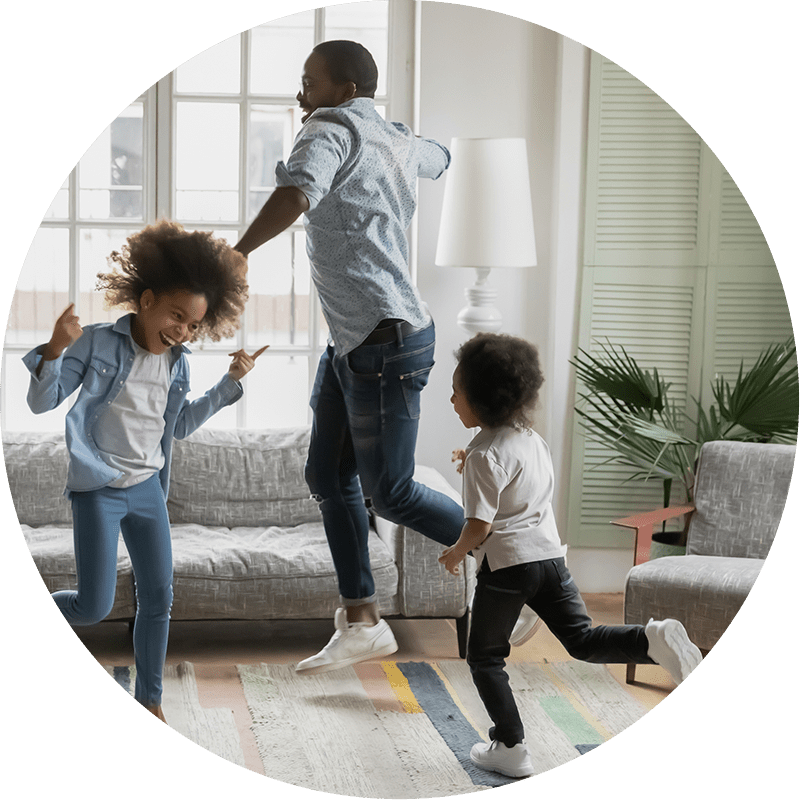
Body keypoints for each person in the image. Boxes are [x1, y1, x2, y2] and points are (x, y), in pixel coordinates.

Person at [234, 40, 467, 675]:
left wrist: (240, 251)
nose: (300, 94)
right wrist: (412, 142)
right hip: (361, 340)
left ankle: (514, 558)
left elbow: (298, 191)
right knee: (326, 475)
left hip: (384, 340)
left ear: (342, 92)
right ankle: (363, 619)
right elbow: (440, 158)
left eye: (309, 82)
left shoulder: (329, 127)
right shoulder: (390, 135)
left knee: (387, 492)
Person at [24, 220, 264, 722]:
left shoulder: (178, 363)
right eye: (177, 315)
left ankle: (150, 703)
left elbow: (178, 426)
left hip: (148, 490)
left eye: (194, 324)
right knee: (92, 607)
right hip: (100, 491)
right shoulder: (94, 344)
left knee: (159, 599)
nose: (182, 330)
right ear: (147, 299)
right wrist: (54, 348)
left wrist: (230, 382)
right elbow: (41, 403)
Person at [440, 332, 703, 778]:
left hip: (507, 569)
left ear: (482, 401)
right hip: (549, 560)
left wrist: (455, 553)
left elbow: (480, 526)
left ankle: (510, 745)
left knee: (484, 656)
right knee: (581, 639)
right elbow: (513, 476)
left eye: (457, 392)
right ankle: (651, 640)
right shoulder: (529, 439)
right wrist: (475, 455)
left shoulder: (485, 456)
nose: (450, 399)